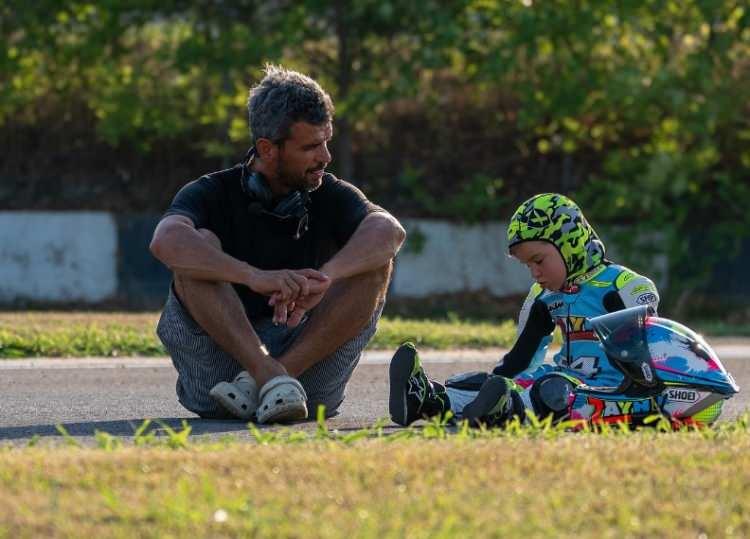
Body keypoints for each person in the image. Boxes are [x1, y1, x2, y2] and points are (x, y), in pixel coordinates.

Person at [150, 65, 405, 424]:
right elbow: (166, 241)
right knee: (197, 245)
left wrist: (323, 278)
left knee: (375, 262)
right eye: (311, 146)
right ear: (268, 149)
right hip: (220, 385)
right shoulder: (211, 192)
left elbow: (389, 231)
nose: (326, 157)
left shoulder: (328, 190)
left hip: (304, 376)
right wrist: (253, 276)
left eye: (327, 141)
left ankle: (269, 378)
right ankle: (267, 374)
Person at [388, 192, 660, 427]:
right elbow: (520, 359)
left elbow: (653, 353)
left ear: (570, 244)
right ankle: (427, 399)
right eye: (528, 266)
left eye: (539, 261)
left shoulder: (623, 285)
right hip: (563, 377)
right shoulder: (543, 296)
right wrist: (493, 385)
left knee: (552, 390)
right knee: (488, 383)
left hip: (609, 390)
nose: (535, 272)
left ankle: (506, 409)